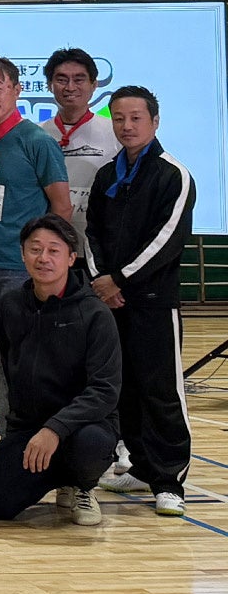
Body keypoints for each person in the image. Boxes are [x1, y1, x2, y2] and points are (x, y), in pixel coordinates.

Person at [88, 86, 195, 517]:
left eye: (135, 118)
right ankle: (142, 466)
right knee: (124, 390)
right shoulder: (106, 175)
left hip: (153, 302)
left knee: (160, 391)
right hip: (111, 302)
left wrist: (119, 280)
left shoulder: (173, 175)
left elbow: (166, 240)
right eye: (119, 118)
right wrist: (101, 279)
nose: (126, 126)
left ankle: (169, 481)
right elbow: (91, 232)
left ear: (154, 121)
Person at [0, 215, 122, 527]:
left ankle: (82, 485)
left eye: (54, 250)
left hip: (84, 427)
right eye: (35, 249)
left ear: (71, 258)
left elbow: (104, 391)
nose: (43, 258)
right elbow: (10, 368)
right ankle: (59, 476)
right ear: (22, 254)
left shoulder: (95, 314)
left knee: (90, 445)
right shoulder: (9, 306)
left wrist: (55, 429)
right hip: (29, 428)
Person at [0, 54, 72, 430]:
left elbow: (62, 207)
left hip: (21, 270)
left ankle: (39, 438)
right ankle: (8, 436)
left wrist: (47, 264)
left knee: (28, 360)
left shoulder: (37, 142)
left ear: (16, 89)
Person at [44, 46, 120, 241]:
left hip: (100, 243)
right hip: (50, 243)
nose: (70, 87)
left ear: (94, 85)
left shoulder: (116, 132)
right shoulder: (36, 134)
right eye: (62, 80)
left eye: (79, 80)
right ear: (49, 85)